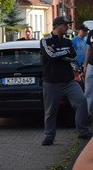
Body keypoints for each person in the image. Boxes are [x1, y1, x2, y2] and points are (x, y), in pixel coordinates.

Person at [39, 16, 91, 145]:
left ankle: (83, 132)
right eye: (65, 25)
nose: (68, 27)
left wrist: (60, 52)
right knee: (50, 111)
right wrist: (64, 53)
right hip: (51, 82)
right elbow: (50, 55)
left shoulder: (68, 42)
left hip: (68, 80)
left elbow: (72, 56)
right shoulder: (45, 40)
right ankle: (49, 137)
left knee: (82, 101)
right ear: (57, 26)